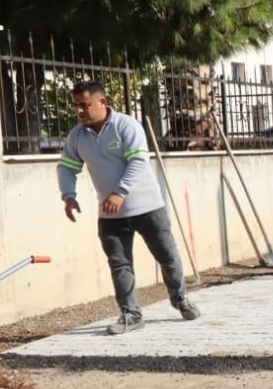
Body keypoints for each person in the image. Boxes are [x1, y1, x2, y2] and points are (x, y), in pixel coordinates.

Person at [58, 80, 199, 335]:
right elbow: (67, 166)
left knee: (166, 255)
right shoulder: (77, 136)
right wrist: (68, 195)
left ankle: (180, 299)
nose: (80, 111)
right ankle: (130, 314)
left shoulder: (127, 125)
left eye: (85, 105)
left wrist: (119, 192)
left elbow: (138, 162)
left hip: (147, 207)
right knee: (119, 264)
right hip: (110, 213)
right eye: (77, 106)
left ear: (103, 102)